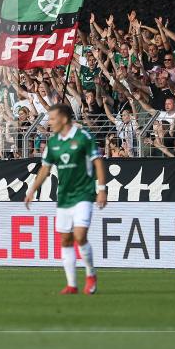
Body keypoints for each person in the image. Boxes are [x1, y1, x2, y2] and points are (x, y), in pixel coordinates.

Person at [25, 104, 107, 295]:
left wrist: (101, 189)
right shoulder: (53, 143)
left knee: (80, 236)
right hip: (64, 197)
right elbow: (45, 169)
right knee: (66, 240)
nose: (50, 122)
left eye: (52, 118)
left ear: (63, 118)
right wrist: (32, 190)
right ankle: (72, 284)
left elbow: (98, 162)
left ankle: (90, 274)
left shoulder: (83, 137)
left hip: (84, 194)